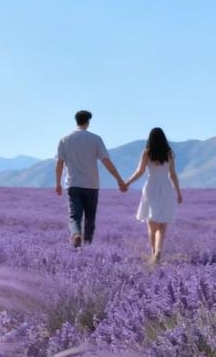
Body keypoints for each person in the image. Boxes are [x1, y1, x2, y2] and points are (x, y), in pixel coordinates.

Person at [55, 110, 128, 247]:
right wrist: (119, 179)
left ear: (76, 121)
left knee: (74, 216)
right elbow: (106, 161)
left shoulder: (64, 139)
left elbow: (59, 163)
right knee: (90, 217)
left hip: (73, 184)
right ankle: (88, 245)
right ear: (88, 122)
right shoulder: (95, 139)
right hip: (91, 184)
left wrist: (58, 183)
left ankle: (76, 234)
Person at [124, 127, 182, 262]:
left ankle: (153, 252)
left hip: (151, 188)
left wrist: (127, 183)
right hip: (165, 188)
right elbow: (172, 174)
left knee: (151, 223)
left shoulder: (147, 152)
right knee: (163, 224)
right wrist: (178, 192)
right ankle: (158, 251)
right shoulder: (169, 153)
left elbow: (139, 172)